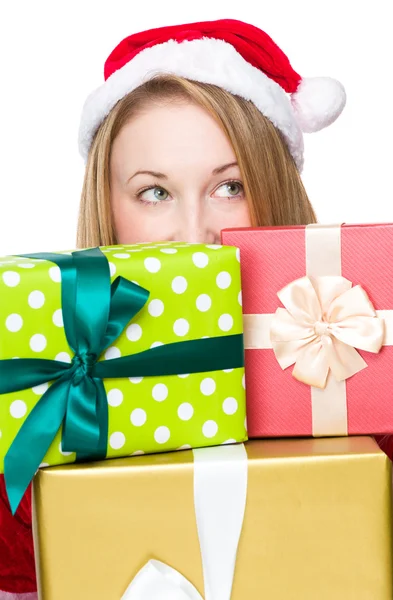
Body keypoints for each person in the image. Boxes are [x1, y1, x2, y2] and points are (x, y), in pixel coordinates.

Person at [3, 17, 384, 598]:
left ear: (273, 184)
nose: (194, 233)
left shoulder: (369, 381)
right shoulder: (43, 414)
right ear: (109, 207)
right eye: (154, 192)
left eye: (229, 186)